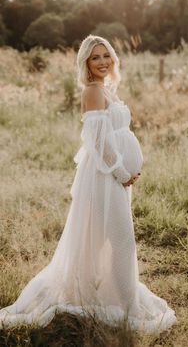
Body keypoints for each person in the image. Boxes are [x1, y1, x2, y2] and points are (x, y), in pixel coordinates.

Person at [0, 35, 176, 333]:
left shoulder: (107, 89)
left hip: (115, 178)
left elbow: (115, 135)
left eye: (106, 55)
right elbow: (98, 142)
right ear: (86, 63)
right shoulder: (92, 92)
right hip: (105, 178)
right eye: (95, 57)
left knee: (103, 241)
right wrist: (122, 173)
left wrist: (127, 171)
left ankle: (105, 293)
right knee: (122, 241)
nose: (103, 61)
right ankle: (128, 308)